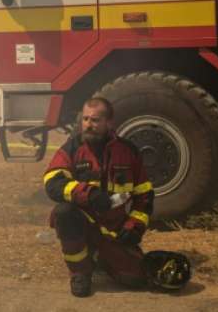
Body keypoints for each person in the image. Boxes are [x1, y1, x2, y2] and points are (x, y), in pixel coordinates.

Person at [43, 97, 155, 297]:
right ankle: (80, 273)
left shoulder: (127, 151)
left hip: (113, 231)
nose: (88, 125)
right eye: (85, 119)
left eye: (95, 120)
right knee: (64, 212)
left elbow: (144, 195)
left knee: (136, 280)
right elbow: (53, 182)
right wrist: (89, 194)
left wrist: (134, 226)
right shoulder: (72, 148)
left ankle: (102, 257)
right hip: (83, 224)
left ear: (109, 123)